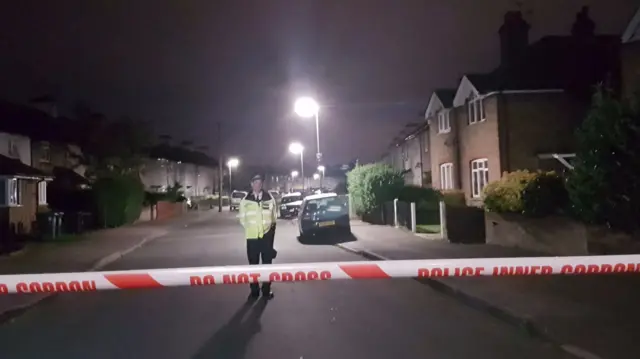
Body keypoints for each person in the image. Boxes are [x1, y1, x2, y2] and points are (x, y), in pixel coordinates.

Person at [238, 174, 278, 299]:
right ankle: (254, 291)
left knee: (267, 264)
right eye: (255, 182)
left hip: (266, 237)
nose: (258, 185)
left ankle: (266, 290)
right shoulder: (245, 200)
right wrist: (251, 229)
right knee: (253, 265)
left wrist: (270, 234)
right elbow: (242, 219)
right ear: (251, 184)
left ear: (262, 184)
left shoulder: (269, 198)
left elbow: (274, 218)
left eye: (260, 183)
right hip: (252, 238)